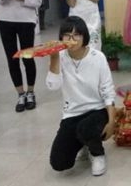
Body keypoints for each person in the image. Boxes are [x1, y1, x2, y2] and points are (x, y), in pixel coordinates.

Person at [46, 16, 117, 176]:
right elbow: (53, 86)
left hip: (97, 110)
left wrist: (112, 121)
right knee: (59, 162)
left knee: (86, 128)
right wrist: (54, 58)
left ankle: (97, 154)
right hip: (72, 113)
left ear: (84, 36)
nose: (72, 40)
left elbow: (108, 91)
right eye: (67, 35)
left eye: (76, 35)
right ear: (61, 38)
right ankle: (83, 143)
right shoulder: (60, 56)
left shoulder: (97, 57)